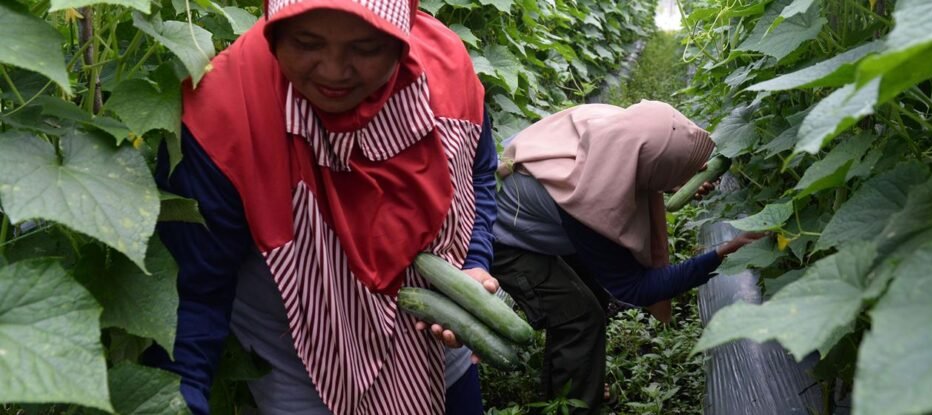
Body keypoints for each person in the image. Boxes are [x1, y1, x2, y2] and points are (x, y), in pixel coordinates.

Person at [142, 1, 499, 414]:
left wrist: (474, 261)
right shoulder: (222, 115)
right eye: (306, 42)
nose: (333, 71)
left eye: (365, 49)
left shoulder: (446, 70)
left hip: (434, 348)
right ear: (275, 27)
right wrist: (180, 402)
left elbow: (477, 171)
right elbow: (194, 292)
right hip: (311, 373)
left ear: (401, 37)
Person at [491, 100, 765, 413]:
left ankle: (577, 380)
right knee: (579, 316)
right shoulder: (589, 201)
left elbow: (651, 161)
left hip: (533, 211)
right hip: (500, 241)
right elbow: (634, 287)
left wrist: (682, 176)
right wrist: (720, 253)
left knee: (591, 292)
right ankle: (576, 404)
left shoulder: (617, 129)